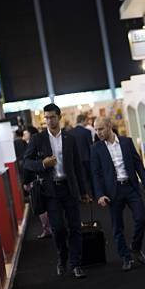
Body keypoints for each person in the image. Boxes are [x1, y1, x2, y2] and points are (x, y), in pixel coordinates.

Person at [24, 103, 90, 279]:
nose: (48, 120)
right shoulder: (38, 139)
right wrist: (42, 164)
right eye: (46, 117)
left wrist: (84, 191)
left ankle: (76, 264)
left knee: (75, 227)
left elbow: (77, 166)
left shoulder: (70, 138)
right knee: (59, 229)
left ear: (59, 117)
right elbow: (26, 162)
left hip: (70, 189)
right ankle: (62, 258)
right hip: (50, 191)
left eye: (52, 117)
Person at [91, 117, 145, 272]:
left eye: (101, 129)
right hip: (113, 192)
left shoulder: (126, 142)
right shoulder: (96, 148)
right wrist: (100, 195)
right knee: (117, 227)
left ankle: (136, 247)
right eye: (96, 130)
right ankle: (126, 257)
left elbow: (138, 164)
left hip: (130, 187)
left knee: (141, 218)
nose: (98, 133)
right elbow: (96, 175)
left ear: (109, 126)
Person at [68, 113, 94, 195]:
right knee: (90, 177)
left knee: (79, 177)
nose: (87, 122)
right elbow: (90, 146)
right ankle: (92, 194)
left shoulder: (70, 132)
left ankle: (82, 194)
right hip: (87, 158)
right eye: (86, 120)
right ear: (83, 120)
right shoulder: (87, 131)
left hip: (75, 159)